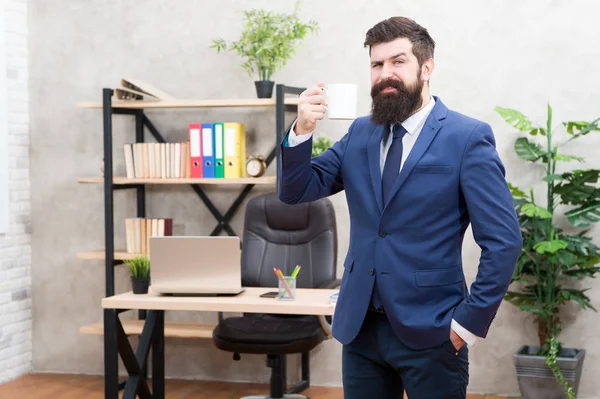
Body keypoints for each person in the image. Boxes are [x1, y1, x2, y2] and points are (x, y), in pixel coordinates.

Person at [277, 16, 523, 399]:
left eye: (398, 62)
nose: (385, 74)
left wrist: (466, 326)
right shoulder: (360, 132)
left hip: (434, 331)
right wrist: (303, 131)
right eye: (377, 64)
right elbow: (296, 191)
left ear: (427, 68)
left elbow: (503, 242)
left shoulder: (467, 138)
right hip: (360, 331)